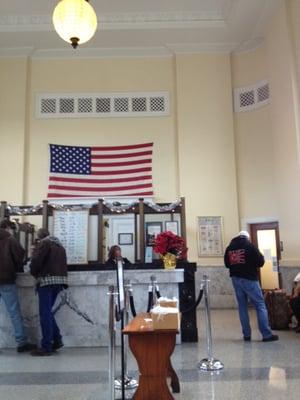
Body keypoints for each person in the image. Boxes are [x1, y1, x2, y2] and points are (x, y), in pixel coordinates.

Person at [224, 230, 279, 342]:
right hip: (249, 279)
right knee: (260, 305)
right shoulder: (249, 246)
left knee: (242, 306)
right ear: (247, 237)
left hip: (236, 279)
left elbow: (227, 264)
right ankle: (266, 335)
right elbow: (261, 261)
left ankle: (247, 335)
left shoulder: (230, 247)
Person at [30, 228, 68, 356]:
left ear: (40, 236)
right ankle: (57, 340)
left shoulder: (44, 244)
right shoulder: (60, 246)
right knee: (48, 312)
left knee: (44, 313)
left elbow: (36, 262)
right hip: (59, 281)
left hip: (46, 280)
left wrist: (34, 272)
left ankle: (47, 346)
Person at [0, 219, 36, 352]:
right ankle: (21, 342)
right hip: (6, 280)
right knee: (14, 312)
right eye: (12, 229)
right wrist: (16, 267)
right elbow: (20, 254)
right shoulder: (10, 239)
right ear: (8, 227)